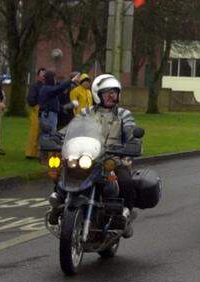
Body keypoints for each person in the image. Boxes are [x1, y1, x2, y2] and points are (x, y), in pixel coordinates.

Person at [47, 74, 140, 228]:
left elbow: (130, 131)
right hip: (87, 156)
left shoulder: (123, 114)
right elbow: (71, 128)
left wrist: (132, 142)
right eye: (107, 93)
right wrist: (56, 136)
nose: (111, 96)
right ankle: (57, 205)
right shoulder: (86, 113)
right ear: (98, 95)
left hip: (112, 158)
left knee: (125, 180)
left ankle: (125, 214)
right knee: (64, 171)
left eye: (114, 93)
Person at [36, 70, 76, 161]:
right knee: (47, 136)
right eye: (54, 78)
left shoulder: (48, 89)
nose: (55, 80)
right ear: (50, 79)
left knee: (51, 136)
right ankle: (44, 158)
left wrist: (66, 107)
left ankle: (46, 157)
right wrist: (70, 81)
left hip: (51, 114)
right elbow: (59, 89)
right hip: (48, 115)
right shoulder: (47, 89)